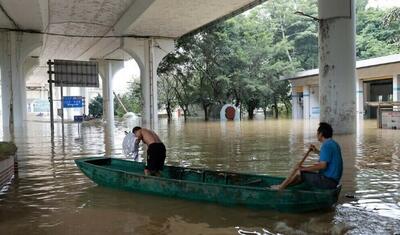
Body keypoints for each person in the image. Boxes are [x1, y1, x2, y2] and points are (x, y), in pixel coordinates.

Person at [273, 122, 343, 190]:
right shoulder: (333, 144)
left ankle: (282, 187)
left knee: (301, 173)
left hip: (328, 182)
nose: (316, 135)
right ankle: (285, 186)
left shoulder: (326, 146)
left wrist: (302, 168)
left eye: (317, 133)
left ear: (321, 134)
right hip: (333, 181)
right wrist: (315, 151)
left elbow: (322, 166)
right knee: (304, 172)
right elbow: (327, 157)